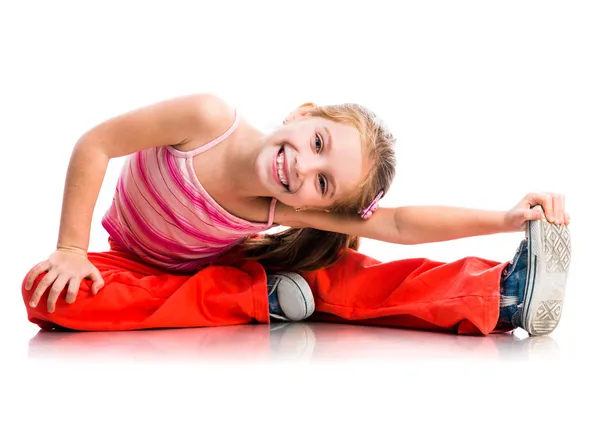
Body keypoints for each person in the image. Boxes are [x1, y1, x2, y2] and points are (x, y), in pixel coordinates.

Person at [22, 94, 571, 336]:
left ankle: (501, 295)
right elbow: (95, 144)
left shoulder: (278, 206)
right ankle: (263, 299)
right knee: (47, 294)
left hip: (209, 274)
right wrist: (71, 249)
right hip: (135, 267)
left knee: (343, 276)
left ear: (317, 205)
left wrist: (505, 219)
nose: (302, 167)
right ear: (303, 113)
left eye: (323, 182)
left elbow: (396, 224)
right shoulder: (205, 119)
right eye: (316, 141)